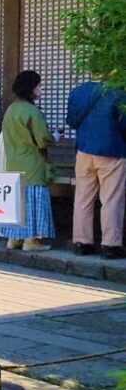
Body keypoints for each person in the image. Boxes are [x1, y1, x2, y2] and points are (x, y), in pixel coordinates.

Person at [0, 70, 56, 251]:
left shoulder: (11, 109)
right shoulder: (32, 111)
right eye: (38, 85)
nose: (40, 89)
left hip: (13, 163)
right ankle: (31, 240)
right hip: (32, 164)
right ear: (30, 88)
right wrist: (55, 137)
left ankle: (13, 239)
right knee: (33, 202)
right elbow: (43, 139)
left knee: (17, 203)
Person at [67, 79, 126, 259]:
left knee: (83, 197)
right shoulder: (118, 93)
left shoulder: (80, 91)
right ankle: (110, 244)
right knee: (111, 199)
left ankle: (81, 242)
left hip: (84, 150)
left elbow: (71, 120)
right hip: (111, 150)